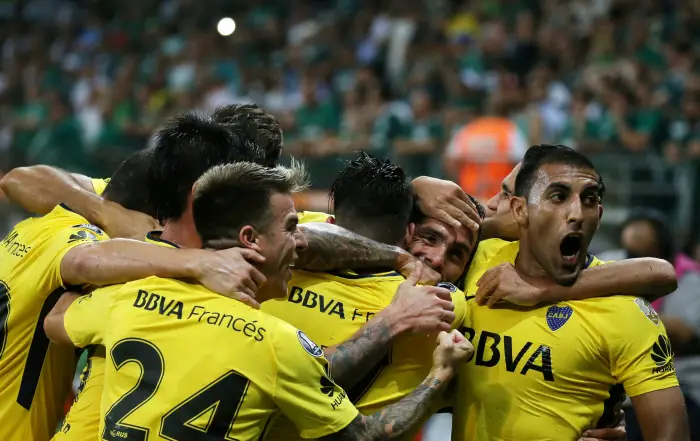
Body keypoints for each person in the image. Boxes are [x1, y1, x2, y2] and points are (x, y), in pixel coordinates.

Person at [43, 161, 474, 441]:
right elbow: (360, 434)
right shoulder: (276, 342)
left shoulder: (135, 294)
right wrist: (437, 377)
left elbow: (58, 317)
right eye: (291, 227)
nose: (302, 239)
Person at [0, 142, 265, 441]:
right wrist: (201, 262)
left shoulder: (57, 219)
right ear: (159, 219)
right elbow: (85, 259)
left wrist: (104, 210)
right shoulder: (83, 239)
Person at [452, 144, 689, 441]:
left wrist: (541, 290)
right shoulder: (473, 259)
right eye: (558, 196)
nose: (576, 213)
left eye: (590, 199)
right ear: (520, 209)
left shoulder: (627, 312)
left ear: (599, 214)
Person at [262, 152, 473, 441]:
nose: (435, 260)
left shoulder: (280, 254)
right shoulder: (432, 301)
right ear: (409, 232)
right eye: (430, 238)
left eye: (457, 253)